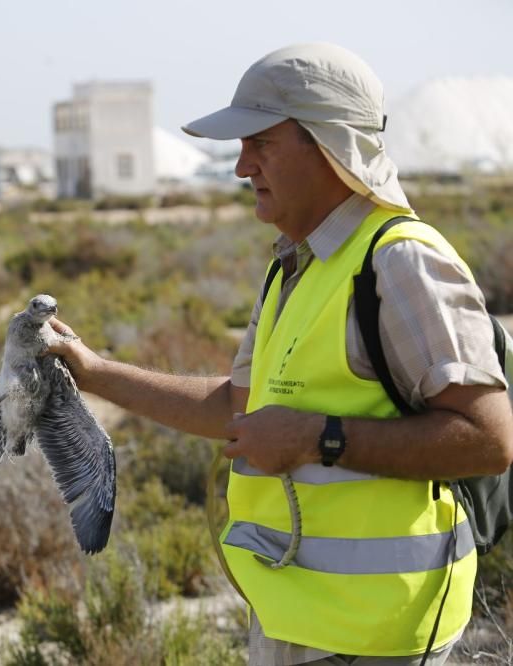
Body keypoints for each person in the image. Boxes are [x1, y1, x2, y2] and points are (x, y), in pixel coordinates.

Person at [48, 43, 513, 665]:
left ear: (329, 146)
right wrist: (95, 371)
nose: (242, 167)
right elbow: (238, 408)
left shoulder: (402, 262)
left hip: (379, 635)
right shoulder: (296, 265)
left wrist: (318, 439)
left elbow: (489, 441)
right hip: (301, 617)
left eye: (260, 143)